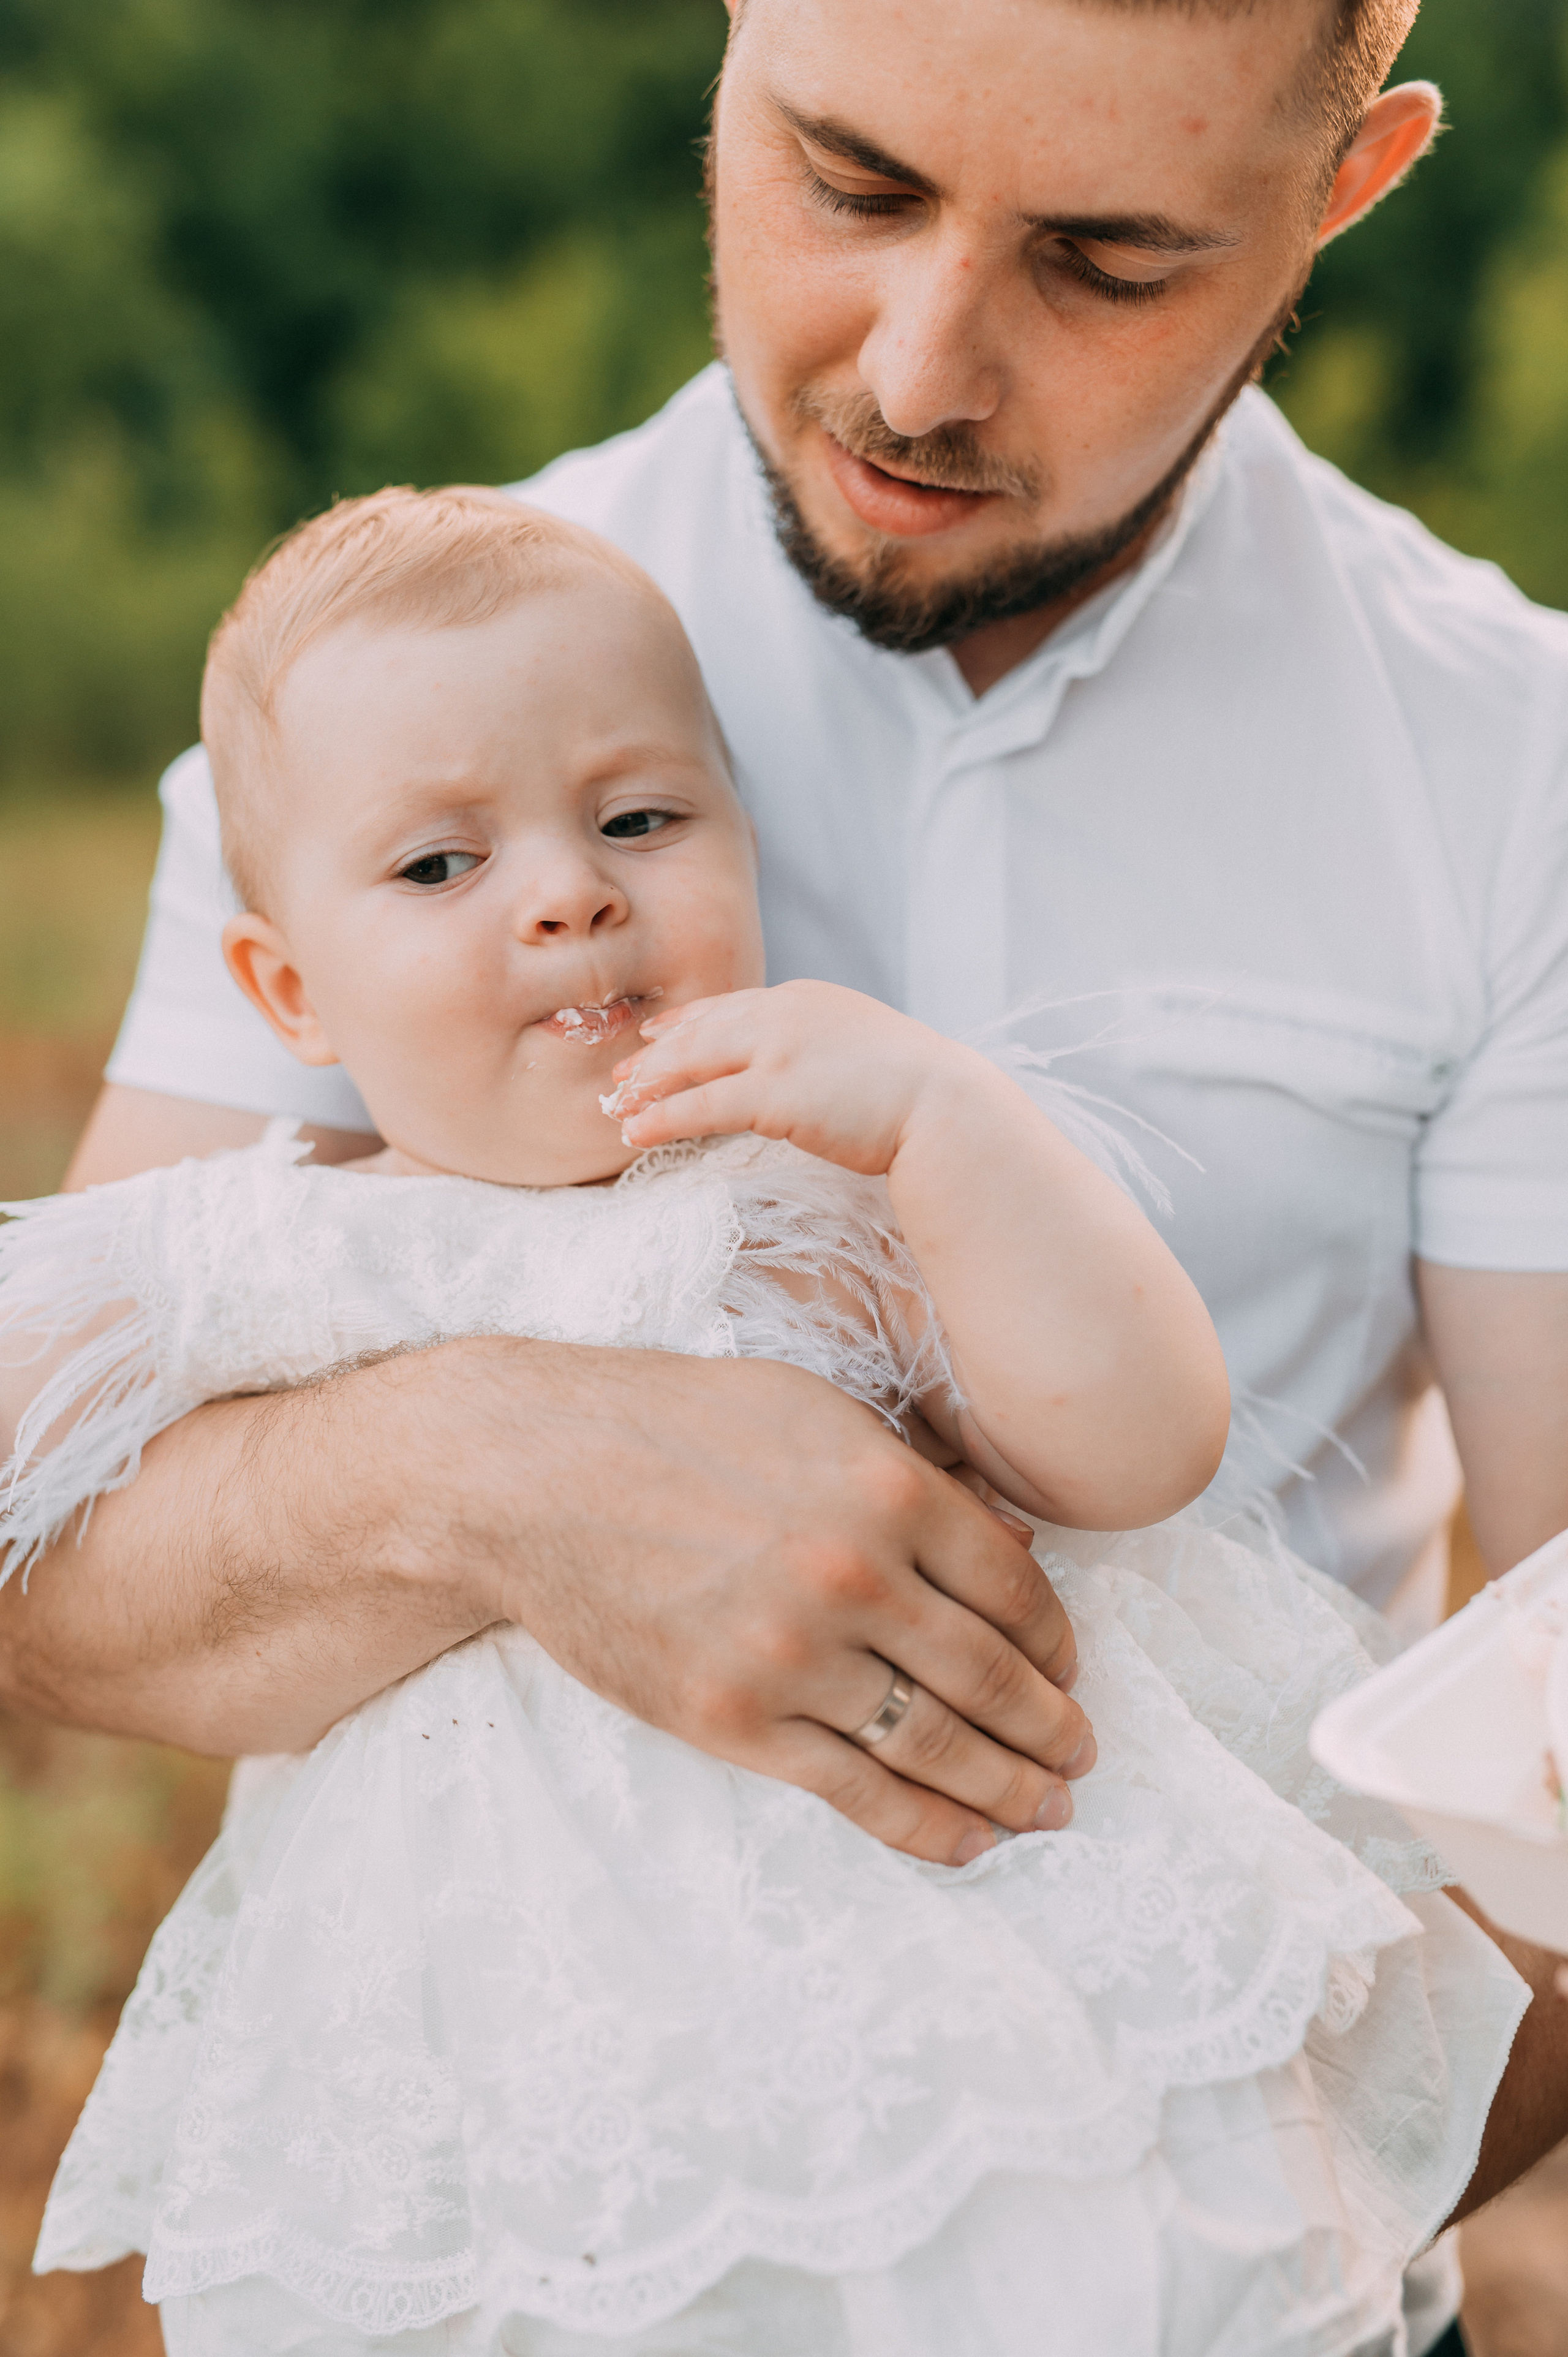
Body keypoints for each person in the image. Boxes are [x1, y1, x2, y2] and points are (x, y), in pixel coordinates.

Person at [2, 4, 1567, 2344]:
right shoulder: (388, 708)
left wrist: (1199, 2197)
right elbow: (46, 1556)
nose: (922, 370)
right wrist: (494, 1467)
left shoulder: (1512, 771)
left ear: (1344, 191)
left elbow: (1554, 1721)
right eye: (849, 178)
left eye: (1107, 261)